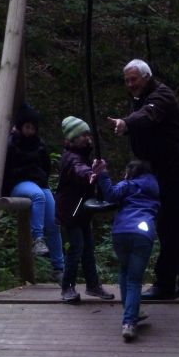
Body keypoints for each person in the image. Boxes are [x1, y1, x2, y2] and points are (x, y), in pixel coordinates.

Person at [108, 59, 179, 300]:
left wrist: (126, 123)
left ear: (146, 76)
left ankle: (165, 283)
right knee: (176, 223)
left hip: (177, 169)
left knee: (168, 224)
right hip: (164, 169)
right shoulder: (141, 98)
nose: (130, 84)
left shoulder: (161, 95)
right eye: (127, 81)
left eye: (134, 79)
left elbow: (148, 115)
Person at [92, 158, 159, 341]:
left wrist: (102, 174)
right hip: (143, 234)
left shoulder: (128, 185)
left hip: (120, 232)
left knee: (124, 270)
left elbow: (110, 195)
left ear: (131, 172)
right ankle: (129, 321)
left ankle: (131, 313)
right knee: (134, 280)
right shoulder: (154, 187)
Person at [2, 103, 65, 283]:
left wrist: (42, 178)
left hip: (39, 182)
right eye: (27, 127)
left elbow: (46, 166)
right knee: (38, 196)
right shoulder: (11, 143)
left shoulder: (39, 144)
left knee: (53, 222)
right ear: (20, 126)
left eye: (32, 128)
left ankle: (59, 268)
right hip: (18, 183)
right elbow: (4, 168)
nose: (30, 131)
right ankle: (37, 239)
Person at [55, 116, 114, 303]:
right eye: (82, 135)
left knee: (88, 248)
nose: (87, 138)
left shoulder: (83, 155)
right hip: (70, 212)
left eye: (88, 134)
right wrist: (92, 173)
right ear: (72, 138)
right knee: (77, 247)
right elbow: (80, 170)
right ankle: (67, 287)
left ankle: (92, 285)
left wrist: (94, 170)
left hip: (82, 211)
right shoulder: (72, 158)